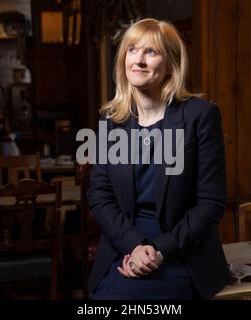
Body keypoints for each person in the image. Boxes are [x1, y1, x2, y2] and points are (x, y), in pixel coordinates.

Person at [87, 18, 230, 300]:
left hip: (181, 251)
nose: (138, 60)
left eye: (151, 52)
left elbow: (211, 203)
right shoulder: (111, 121)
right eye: (132, 50)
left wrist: (159, 251)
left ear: (171, 65)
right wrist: (134, 246)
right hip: (123, 245)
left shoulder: (200, 116)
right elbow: (100, 196)